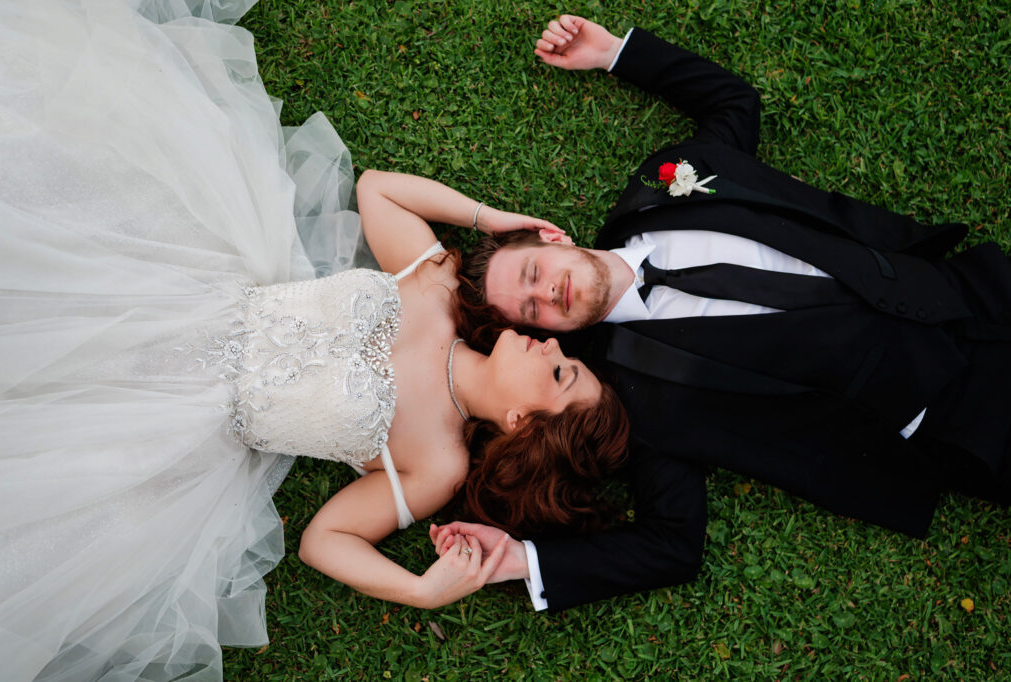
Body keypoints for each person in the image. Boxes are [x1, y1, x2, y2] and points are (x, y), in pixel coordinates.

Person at [0, 2, 628, 679]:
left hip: (172, 423)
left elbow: (326, 540)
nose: (555, 348)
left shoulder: (439, 465)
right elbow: (379, 192)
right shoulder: (439, 290)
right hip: (185, 290)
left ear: (522, 422)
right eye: (567, 357)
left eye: (561, 376)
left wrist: (418, 589)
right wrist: (492, 219)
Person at [432, 14, 1011, 612]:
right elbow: (672, 542)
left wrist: (617, 53)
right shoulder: (635, 396)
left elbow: (734, 103)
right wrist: (522, 559)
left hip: (965, 289)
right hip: (953, 418)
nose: (547, 296)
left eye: (534, 275)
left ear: (552, 240)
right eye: (530, 312)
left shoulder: (661, 188)